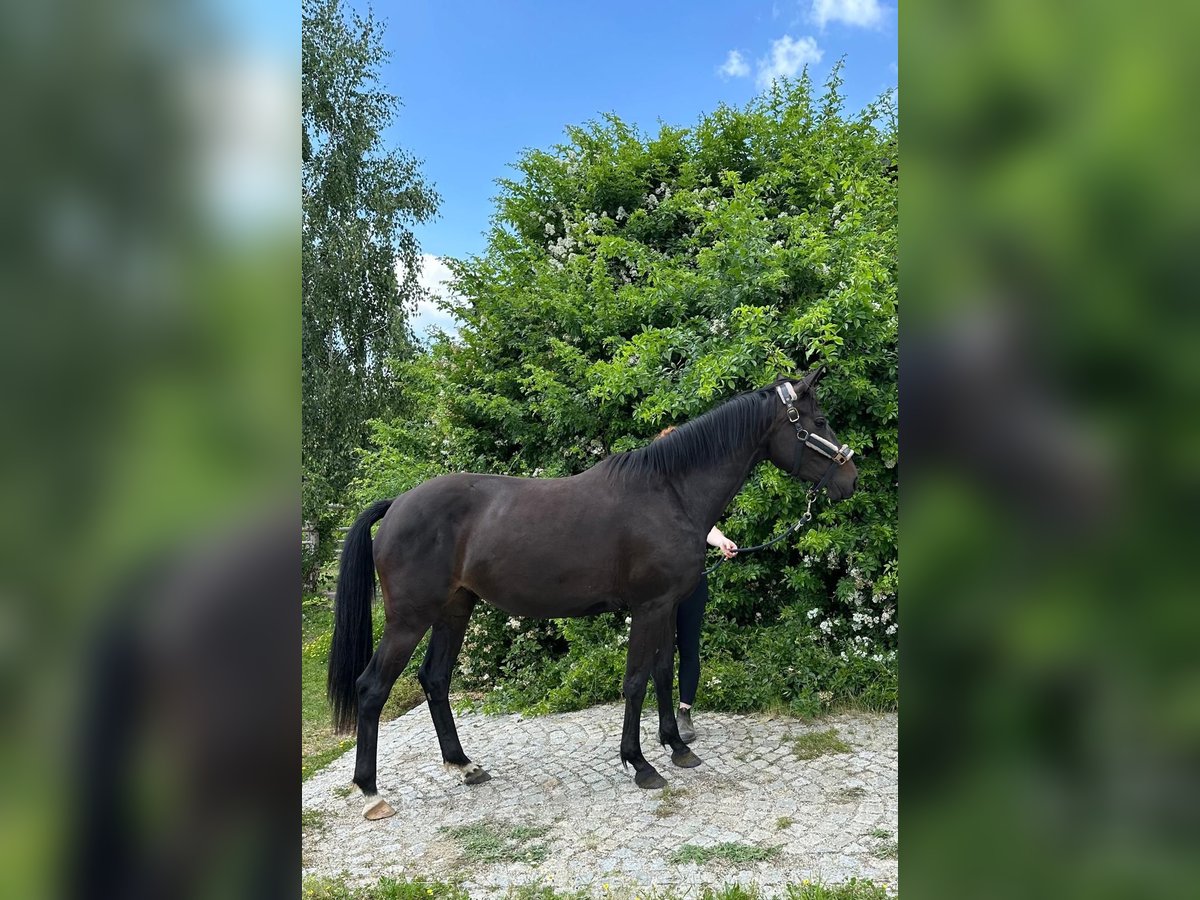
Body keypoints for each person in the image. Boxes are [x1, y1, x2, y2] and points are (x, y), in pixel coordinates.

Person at [655, 426, 738, 742]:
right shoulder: (650, 492)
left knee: (689, 647)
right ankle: (664, 715)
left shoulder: (693, 493)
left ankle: (684, 712)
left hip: (690, 582)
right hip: (659, 586)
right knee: (658, 650)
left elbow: (706, 527)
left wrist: (722, 541)